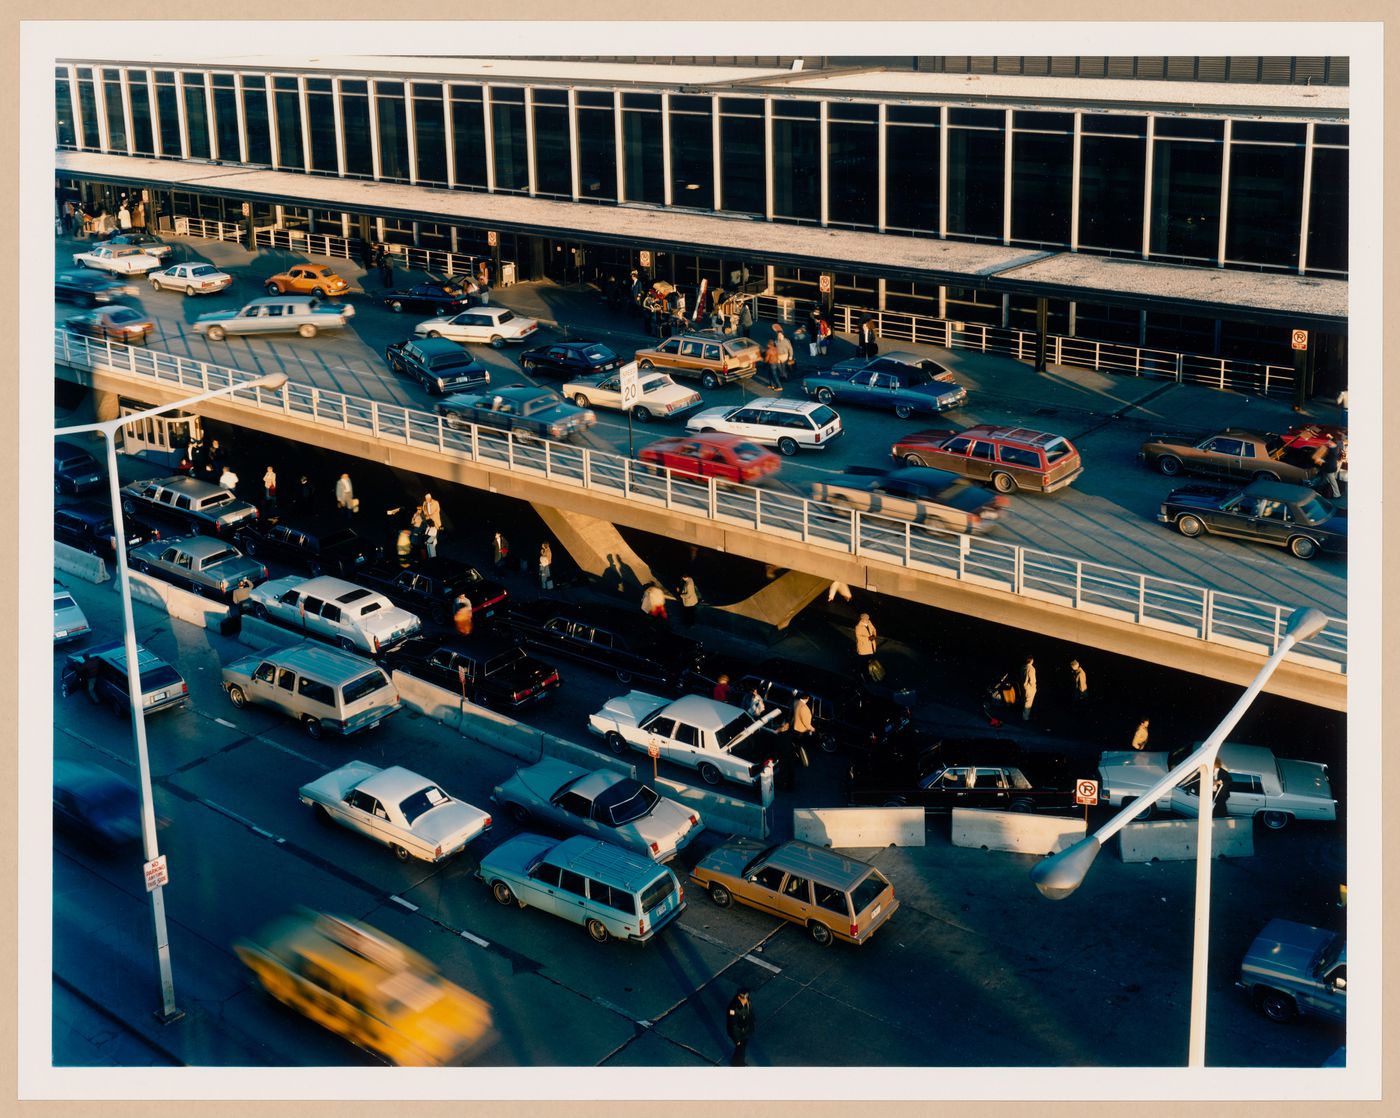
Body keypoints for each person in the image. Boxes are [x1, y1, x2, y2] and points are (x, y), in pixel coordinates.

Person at [726, 988, 755, 1067]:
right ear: (739, 997)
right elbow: (733, 1025)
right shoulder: (733, 1009)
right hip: (738, 1033)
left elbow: (750, 1013)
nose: (746, 1000)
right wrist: (737, 1039)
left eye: (746, 997)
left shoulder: (747, 1002)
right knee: (740, 1049)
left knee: (742, 1048)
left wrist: (752, 1026)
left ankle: (739, 1062)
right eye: (744, 998)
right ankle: (737, 1064)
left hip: (745, 1030)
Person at [1019, 656, 1037, 722]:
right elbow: (1032, 680)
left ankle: (1023, 715)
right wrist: (1034, 687)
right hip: (1029, 687)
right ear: (1031, 660)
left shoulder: (1023, 667)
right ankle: (1025, 718)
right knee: (1028, 703)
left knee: (1024, 701)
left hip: (1023, 686)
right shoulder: (1031, 668)